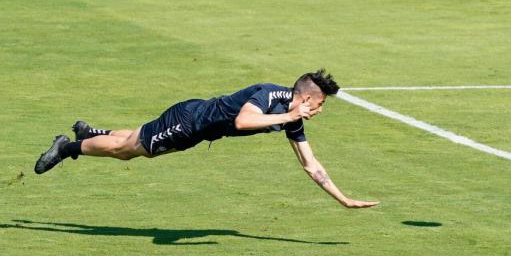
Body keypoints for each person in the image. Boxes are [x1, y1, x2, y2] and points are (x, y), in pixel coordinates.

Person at [34, 69, 379, 209]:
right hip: (188, 122)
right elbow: (244, 120)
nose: (319, 110)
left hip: (195, 130)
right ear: (305, 98)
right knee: (127, 152)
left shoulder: (289, 119)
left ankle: (90, 133)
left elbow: (310, 164)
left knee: (136, 140)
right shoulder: (271, 97)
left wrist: (343, 199)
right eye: (319, 104)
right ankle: (67, 147)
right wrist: (289, 116)